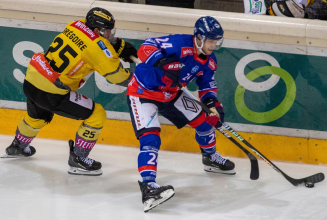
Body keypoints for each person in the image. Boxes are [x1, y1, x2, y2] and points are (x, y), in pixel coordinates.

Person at [1, 7, 138, 176]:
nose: (109, 34)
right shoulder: (98, 49)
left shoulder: (75, 25)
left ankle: (17, 146)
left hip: (32, 80)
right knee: (97, 114)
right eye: (107, 30)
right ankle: (78, 159)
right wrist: (146, 76)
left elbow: (92, 42)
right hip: (52, 92)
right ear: (97, 30)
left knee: (36, 118)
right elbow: (119, 77)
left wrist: (116, 44)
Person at [126, 16, 236, 212]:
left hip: (171, 94)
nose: (214, 45)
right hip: (144, 92)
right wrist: (161, 61)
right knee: (151, 138)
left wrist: (213, 105)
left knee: (205, 122)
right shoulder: (179, 44)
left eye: (216, 41)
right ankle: (149, 187)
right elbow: (146, 47)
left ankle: (209, 157)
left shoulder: (210, 61)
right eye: (211, 40)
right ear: (199, 37)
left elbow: (207, 85)